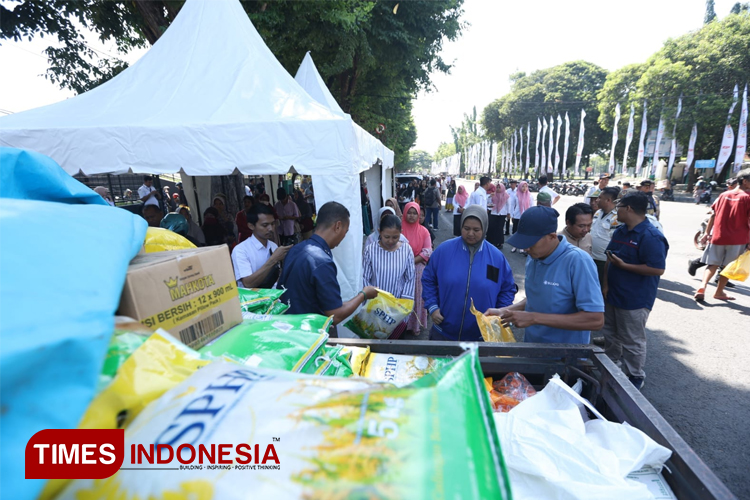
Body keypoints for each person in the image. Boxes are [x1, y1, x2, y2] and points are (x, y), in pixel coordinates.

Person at [486, 206, 605, 343]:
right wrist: (505, 311)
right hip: (533, 347)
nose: (526, 249)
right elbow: (538, 297)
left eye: (531, 244)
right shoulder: (534, 257)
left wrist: (533, 318)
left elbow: (595, 320)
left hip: (566, 355)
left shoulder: (578, 261)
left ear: (552, 237)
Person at [600, 191, 668, 390]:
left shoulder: (651, 236)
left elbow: (658, 269)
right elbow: (610, 259)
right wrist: (605, 284)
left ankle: (635, 376)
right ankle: (610, 366)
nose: (616, 210)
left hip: (635, 299)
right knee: (610, 334)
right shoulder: (621, 231)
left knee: (632, 340)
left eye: (619, 206)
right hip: (613, 293)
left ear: (628, 209)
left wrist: (625, 267)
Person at [278, 202, 379, 333]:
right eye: (345, 231)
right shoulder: (321, 261)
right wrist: (363, 295)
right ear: (337, 226)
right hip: (310, 334)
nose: (344, 236)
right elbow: (335, 315)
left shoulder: (296, 249)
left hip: (287, 327)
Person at [423, 205, 515, 341]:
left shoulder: (496, 258)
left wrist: (498, 314)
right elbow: (428, 279)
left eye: (476, 230)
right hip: (444, 332)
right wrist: (432, 306)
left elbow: (507, 289)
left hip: (481, 336)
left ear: (484, 228)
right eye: (466, 228)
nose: (470, 233)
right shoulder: (444, 251)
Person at [694, 168, 750, 301]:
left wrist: (707, 233)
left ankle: (702, 286)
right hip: (738, 239)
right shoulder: (748, 198)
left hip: (718, 236)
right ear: (746, 182)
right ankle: (719, 292)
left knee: (712, 264)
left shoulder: (724, 195)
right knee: (727, 267)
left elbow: (713, 215)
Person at [362, 214, 416, 339]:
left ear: (401, 233)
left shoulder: (406, 250)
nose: (391, 241)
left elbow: (409, 279)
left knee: (395, 347)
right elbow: (365, 278)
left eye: (395, 237)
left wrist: (403, 309)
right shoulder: (370, 250)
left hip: (397, 311)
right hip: (375, 309)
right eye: (386, 237)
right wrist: (370, 304)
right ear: (379, 232)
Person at [231, 204, 292, 289]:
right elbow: (248, 283)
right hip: (253, 301)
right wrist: (273, 259)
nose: (270, 228)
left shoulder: (273, 246)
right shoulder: (240, 250)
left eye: (272, 224)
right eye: (265, 225)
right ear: (251, 226)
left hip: (274, 298)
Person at [401, 202, 433, 335]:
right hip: (399, 267)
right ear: (404, 213)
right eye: (409, 212)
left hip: (417, 268)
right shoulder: (399, 229)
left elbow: (427, 251)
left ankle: (415, 325)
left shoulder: (424, 231)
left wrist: (411, 262)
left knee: (416, 297)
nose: (412, 216)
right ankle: (400, 325)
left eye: (415, 213)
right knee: (401, 297)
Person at [590, 187, 621, 283]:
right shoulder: (598, 212)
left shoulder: (617, 217)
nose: (597, 200)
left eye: (599, 198)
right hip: (591, 258)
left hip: (604, 261)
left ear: (608, 200)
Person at [509, 180, 533, 253]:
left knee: (524, 232)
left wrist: (531, 215)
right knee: (516, 231)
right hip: (517, 215)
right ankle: (515, 246)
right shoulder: (516, 195)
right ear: (519, 187)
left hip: (526, 216)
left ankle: (522, 247)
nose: (524, 188)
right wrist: (512, 215)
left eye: (526, 186)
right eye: (523, 186)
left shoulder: (529, 195)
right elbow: (512, 205)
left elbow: (532, 206)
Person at [488, 182, 510, 249]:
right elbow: (489, 203)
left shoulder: (506, 196)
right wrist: (490, 199)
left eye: (499, 187)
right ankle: (491, 242)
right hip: (493, 213)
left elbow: (508, 205)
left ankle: (499, 243)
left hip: (502, 214)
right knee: (492, 227)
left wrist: (508, 213)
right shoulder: (493, 195)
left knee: (500, 229)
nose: (497, 189)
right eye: (497, 187)